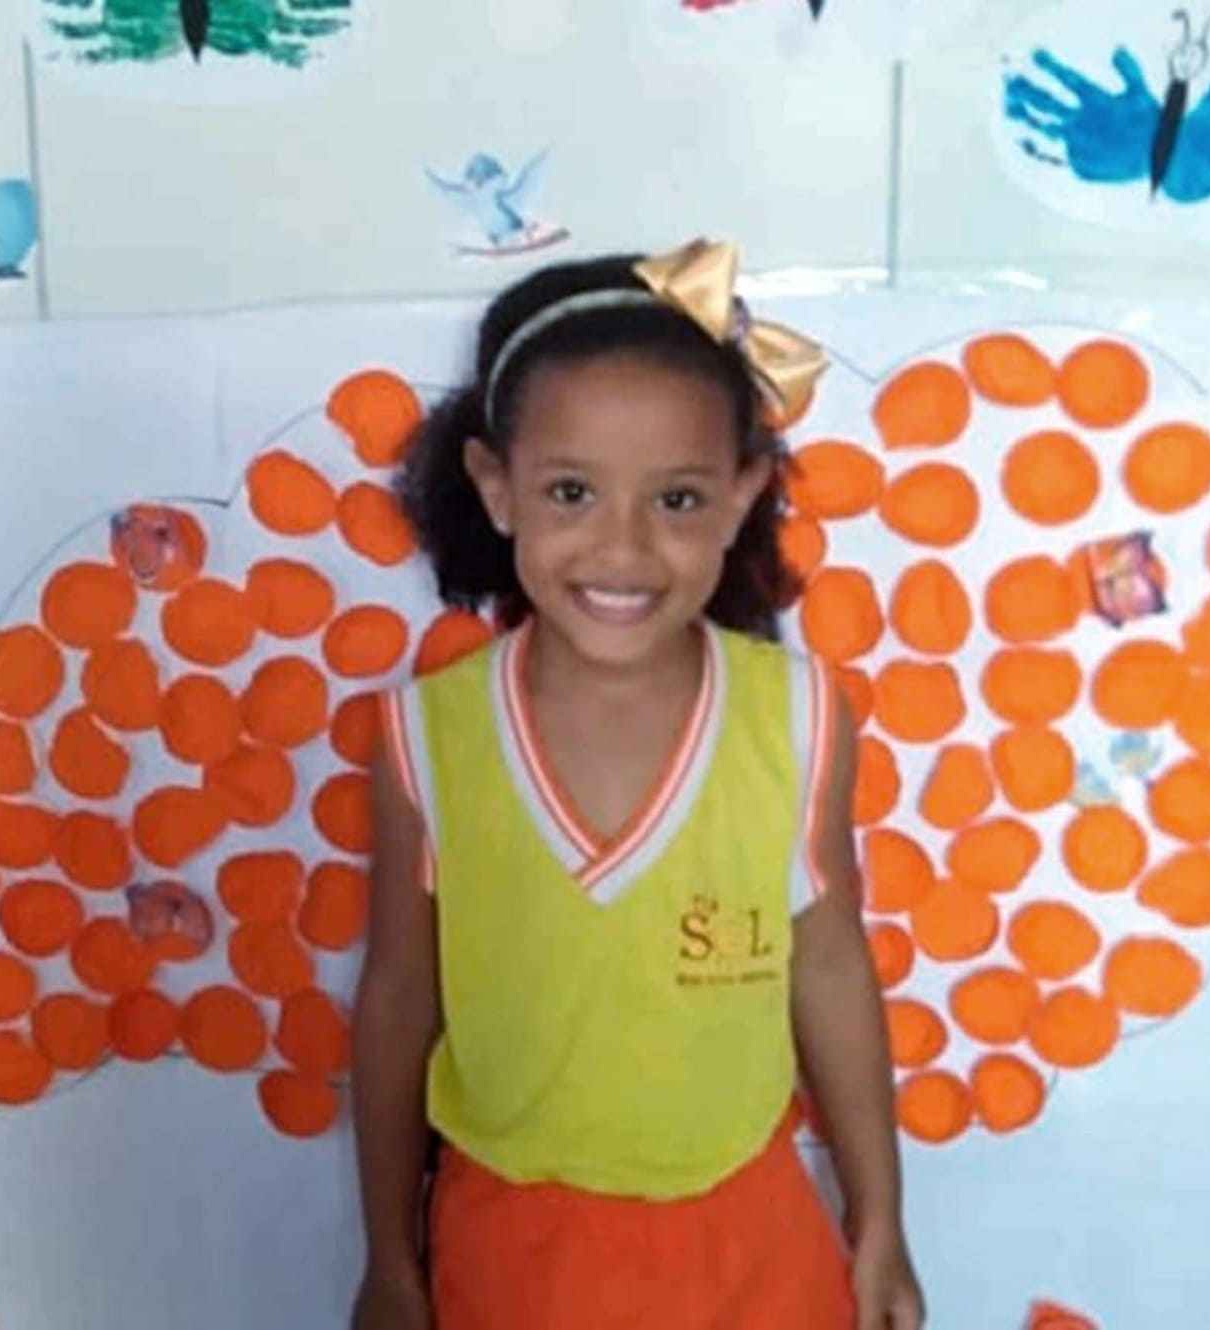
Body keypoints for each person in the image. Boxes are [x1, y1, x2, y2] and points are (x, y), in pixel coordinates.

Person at [349, 239, 923, 1330]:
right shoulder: (426, 737)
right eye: (573, 490)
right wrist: (392, 1260)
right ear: (496, 487)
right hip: (513, 1252)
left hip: (753, 1242)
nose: (623, 549)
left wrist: (879, 1217)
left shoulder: (798, 715)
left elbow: (832, 965)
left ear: (744, 494)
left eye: (677, 498)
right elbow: (395, 1006)